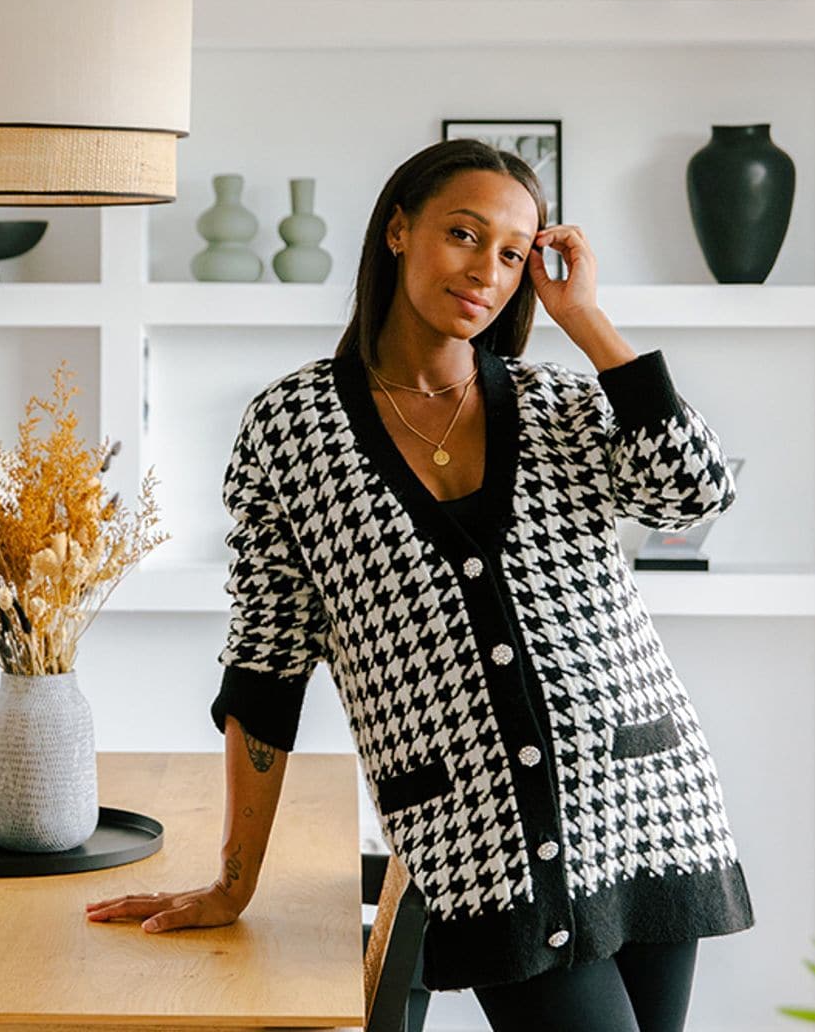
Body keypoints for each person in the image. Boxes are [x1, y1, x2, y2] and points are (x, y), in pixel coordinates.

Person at [84, 139, 754, 1032]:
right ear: (399, 230)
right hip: (475, 838)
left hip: (646, 796)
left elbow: (692, 491)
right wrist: (233, 884)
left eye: (513, 254)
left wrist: (587, 321)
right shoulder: (292, 430)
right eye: (465, 235)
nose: (487, 269)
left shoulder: (558, 403)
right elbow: (267, 663)